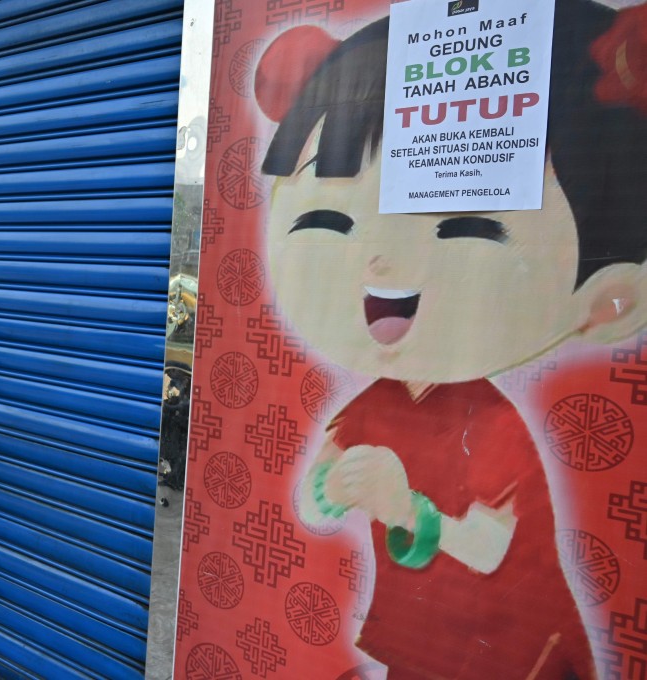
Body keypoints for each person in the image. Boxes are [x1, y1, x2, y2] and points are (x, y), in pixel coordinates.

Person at [254, 0, 647, 677]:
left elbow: (495, 548)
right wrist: (333, 488)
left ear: (609, 300)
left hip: (512, 647)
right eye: (328, 219)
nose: (381, 263)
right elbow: (310, 502)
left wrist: (403, 506)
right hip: (416, 632)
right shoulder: (374, 403)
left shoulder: (491, 423)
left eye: (466, 228)